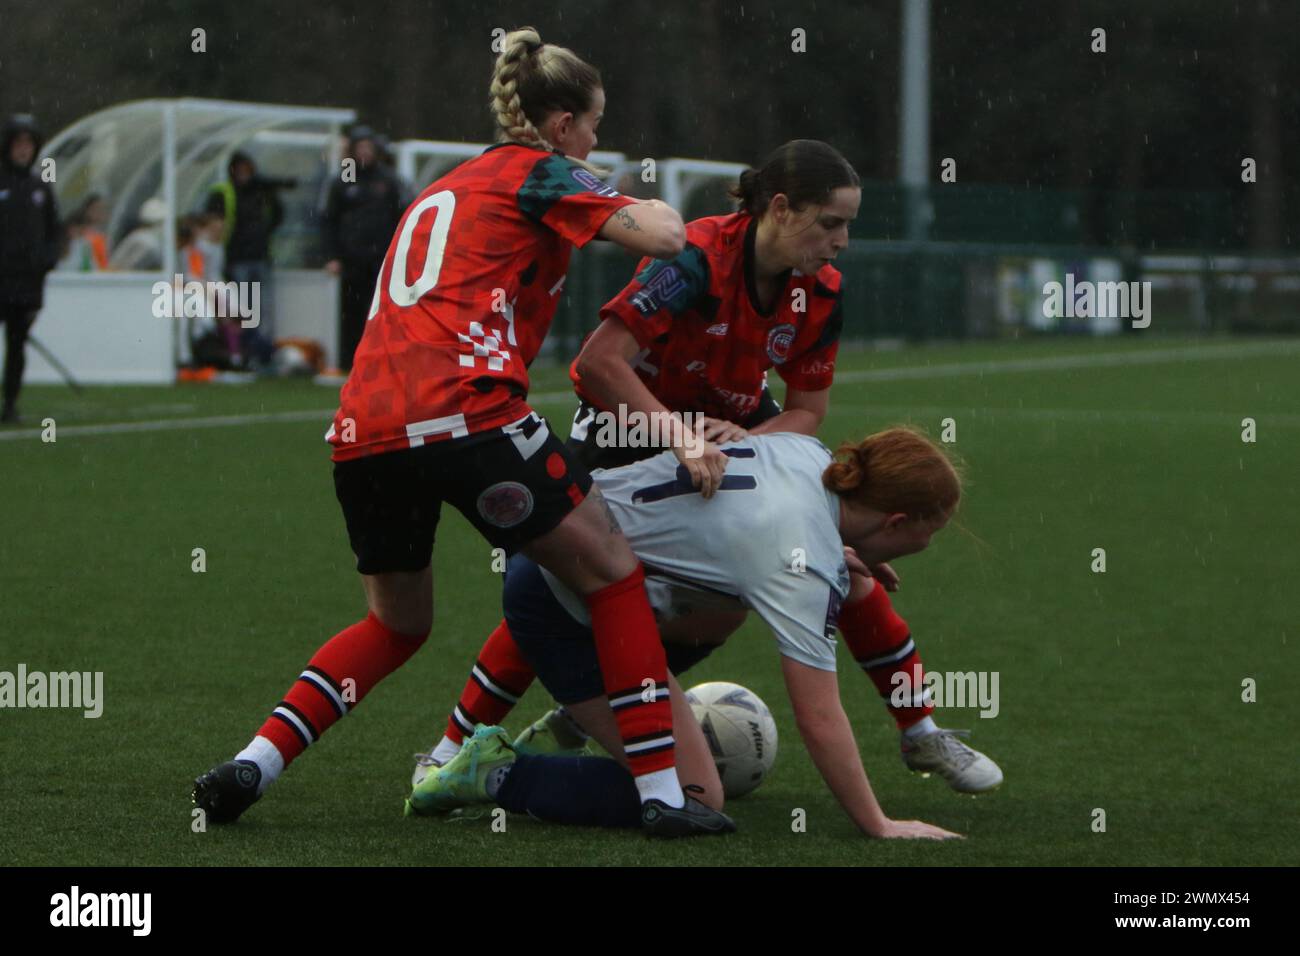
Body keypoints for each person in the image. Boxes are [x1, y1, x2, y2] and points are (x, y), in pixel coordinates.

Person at [192, 26, 732, 836]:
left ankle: (253, 762)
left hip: (363, 427)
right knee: (614, 574)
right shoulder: (543, 172)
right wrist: (652, 204)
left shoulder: (447, 186)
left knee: (396, 623)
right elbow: (662, 239)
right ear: (559, 127)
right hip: (467, 413)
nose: (596, 141)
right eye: (592, 124)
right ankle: (661, 795)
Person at [425, 142, 1002, 793]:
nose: (842, 241)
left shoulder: (822, 291)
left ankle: (920, 734)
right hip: (628, 428)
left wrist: (768, 465)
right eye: (831, 223)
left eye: (849, 225)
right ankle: (453, 746)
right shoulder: (695, 260)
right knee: (567, 585)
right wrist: (677, 437)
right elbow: (597, 363)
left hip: (732, 428)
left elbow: (806, 413)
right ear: (780, 209)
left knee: (845, 579)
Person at [409, 427, 965, 841]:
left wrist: (838, 558)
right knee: (696, 797)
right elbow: (818, 716)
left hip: (568, 541)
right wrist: (878, 823)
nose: (929, 545)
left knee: (727, 609)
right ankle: (496, 773)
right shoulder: (802, 565)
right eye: (931, 532)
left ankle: (608, 716)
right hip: (561, 603)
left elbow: (747, 523)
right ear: (897, 522)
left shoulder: (809, 455)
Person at [320, 124, 407, 370]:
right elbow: (329, 220)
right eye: (360, 147)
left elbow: (401, 214)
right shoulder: (346, 177)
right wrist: (332, 256)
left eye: (369, 147)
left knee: (380, 312)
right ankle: (350, 363)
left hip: (381, 259)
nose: (365, 153)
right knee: (351, 313)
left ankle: (379, 363)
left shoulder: (388, 179)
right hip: (352, 259)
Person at [0, 113, 61, 425]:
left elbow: (54, 232)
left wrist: (47, 261)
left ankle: (10, 403)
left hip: (27, 285)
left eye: (29, 144)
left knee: (16, 346)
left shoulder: (42, 188)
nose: (23, 150)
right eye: (18, 143)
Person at [205, 151, 290, 353]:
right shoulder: (224, 191)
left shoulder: (259, 193)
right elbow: (215, 220)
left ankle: (263, 348)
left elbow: (277, 215)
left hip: (260, 256)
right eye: (240, 169)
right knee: (243, 308)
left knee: (262, 307)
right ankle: (244, 348)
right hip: (237, 257)